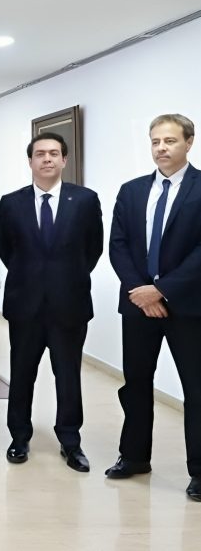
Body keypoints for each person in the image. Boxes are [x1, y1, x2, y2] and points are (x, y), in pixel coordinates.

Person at [107, 113, 201, 502]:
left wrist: (160, 291)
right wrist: (139, 292)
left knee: (196, 388)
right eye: (155, 141)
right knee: (136, 383)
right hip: (138, 306)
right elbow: (118, 245)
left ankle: (199, 471)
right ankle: (134, 457)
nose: (161, 148)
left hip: (188, 307)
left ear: (189, 142)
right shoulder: (131, 191)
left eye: (170, 141)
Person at [0, 132, 102, 472]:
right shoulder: (10, 203)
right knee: (22, 374)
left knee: (68, 376)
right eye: (40, 153)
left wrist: (63, 278)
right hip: (24, 305)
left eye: (54, 153)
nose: (47, 159)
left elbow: (93, 249)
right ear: (30, 161)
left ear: (64, 160)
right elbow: (6, 250)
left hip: (69, 305)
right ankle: (19, 437)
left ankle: (70, 442)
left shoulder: (85, 201)